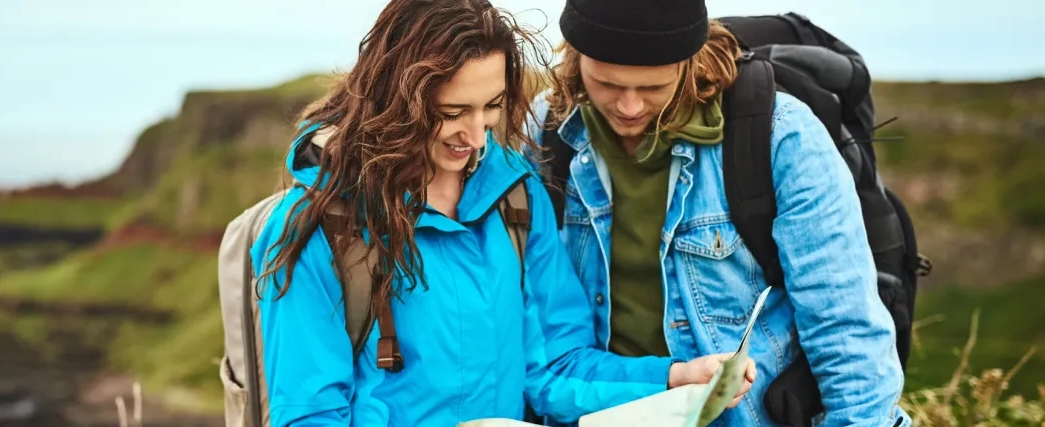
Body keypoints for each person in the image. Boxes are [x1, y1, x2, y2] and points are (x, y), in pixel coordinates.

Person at [248, 0, 754, 426]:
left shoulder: (515, 195)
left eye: (490, 107)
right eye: (450, 114)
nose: (475, 137)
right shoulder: (318, 230)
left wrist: (672, 379)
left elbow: (554, 366)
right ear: (395, 101)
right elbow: (310, 414)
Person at [523, 0, 911, 426]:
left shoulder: (780, 136)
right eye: (606, 84)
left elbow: (846, 333)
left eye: (653, 88)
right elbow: (546, 342)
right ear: (575, 59)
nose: (629, 107)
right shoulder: (546, 132)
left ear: (688, 62)